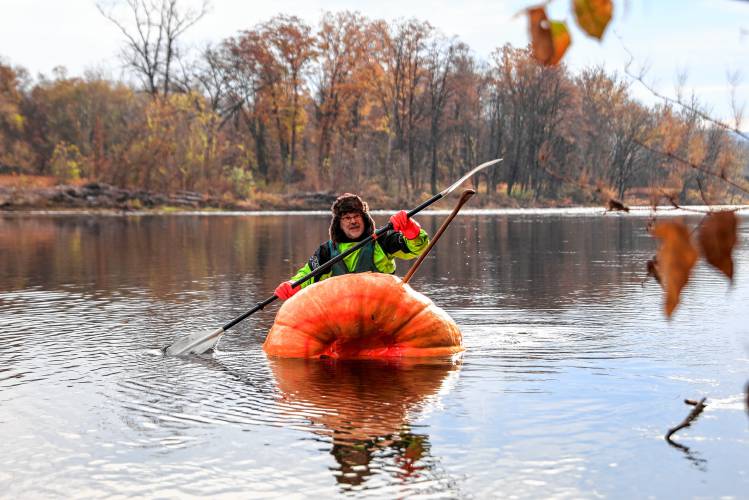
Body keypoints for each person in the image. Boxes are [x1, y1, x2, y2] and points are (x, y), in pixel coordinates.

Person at [274, 193, 430, 300]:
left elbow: (417, 248)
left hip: (383, 310)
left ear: (364, 218)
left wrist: (410, 228)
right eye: (347, 218)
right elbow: (307, 275)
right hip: (345, 316)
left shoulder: (382, 240)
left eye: (356, 216)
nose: (353, 221)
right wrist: (292, 285)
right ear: (339, 224)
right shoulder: (326, 251)